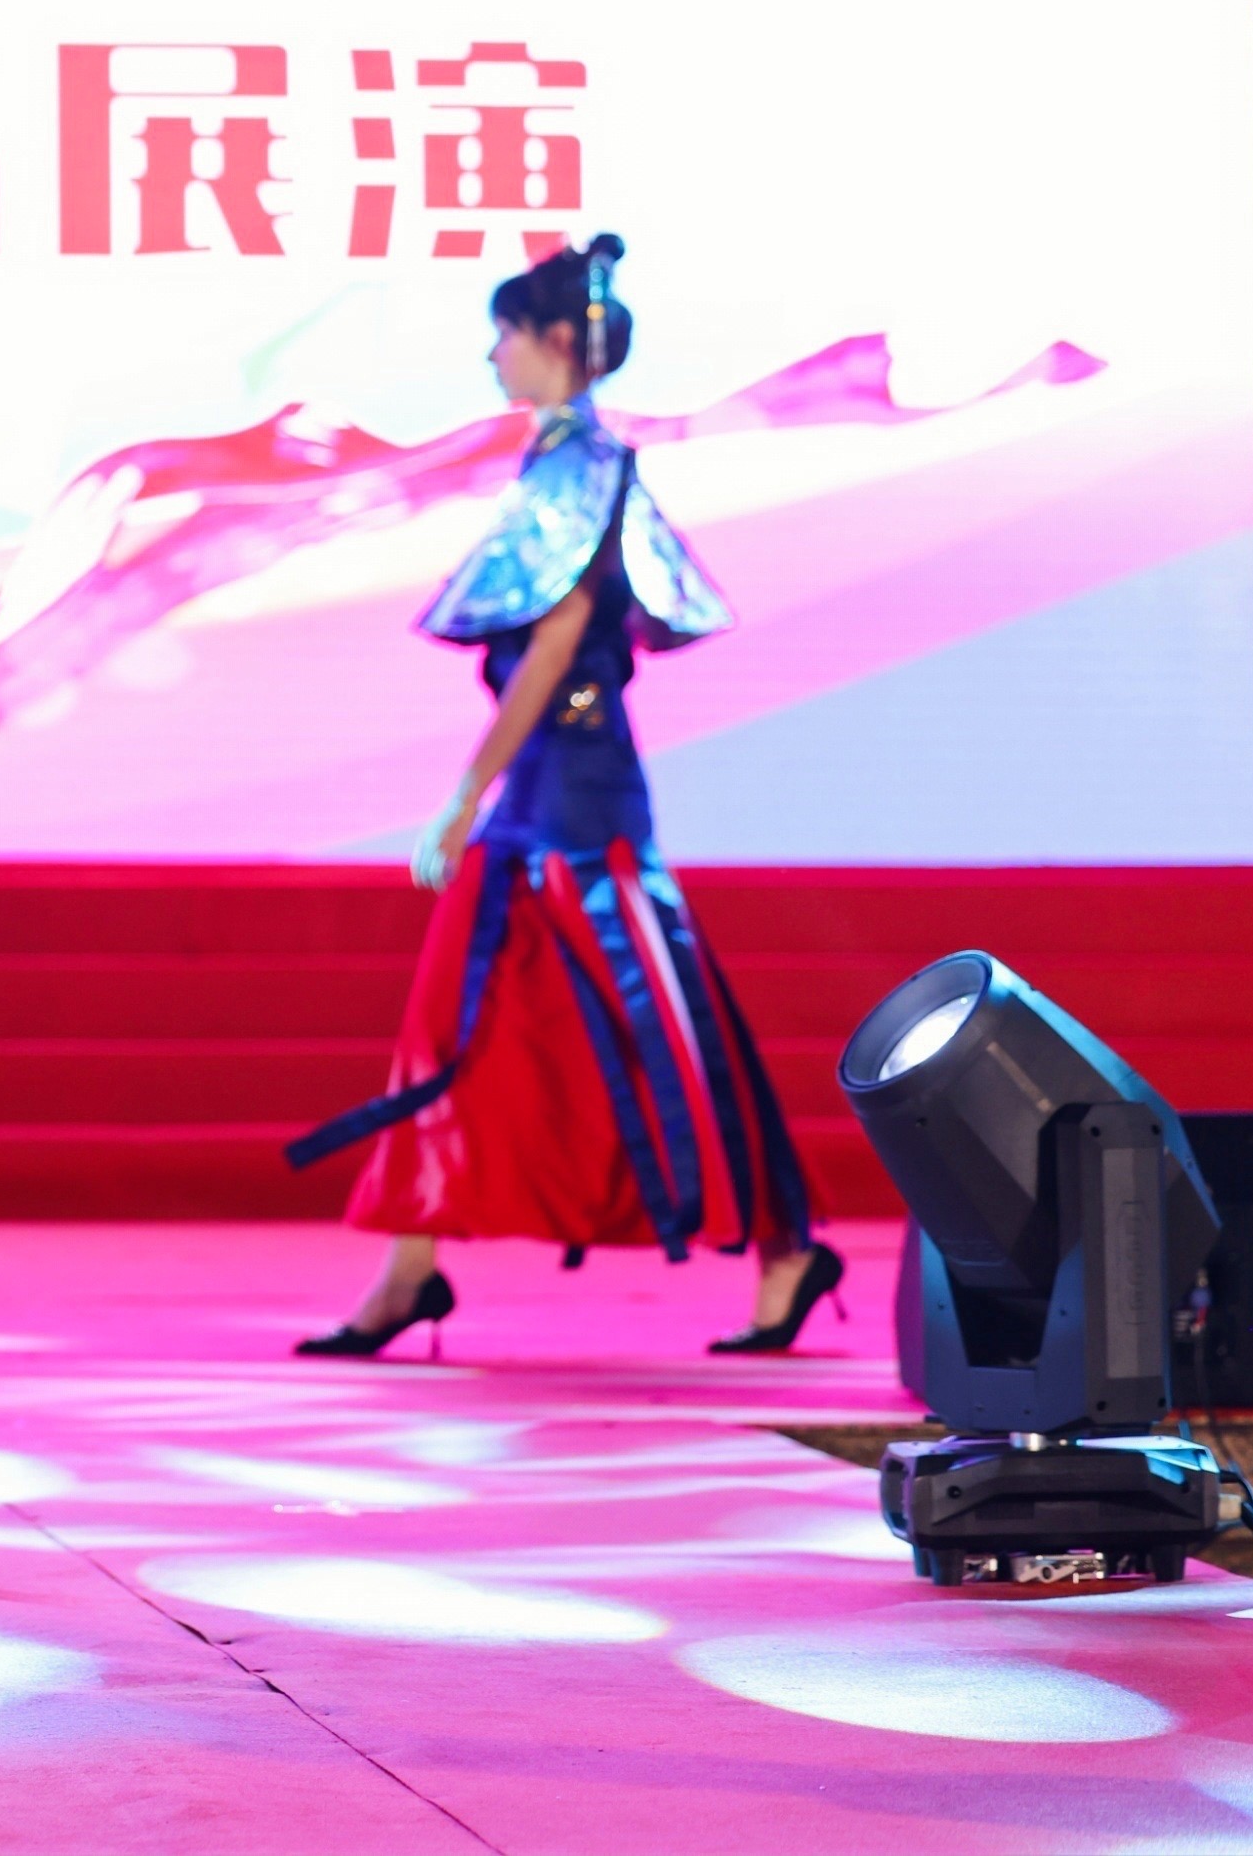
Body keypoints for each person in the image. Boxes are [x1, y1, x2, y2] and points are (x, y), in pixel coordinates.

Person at [285, 234, 841, 1358]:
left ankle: (785, 1243)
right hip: (549, 782)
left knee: (652, 1018)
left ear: (550, 340)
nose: (491, 356)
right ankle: (408, 1268)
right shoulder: (561, 460)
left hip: (576, 789)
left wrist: (463, 793)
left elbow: (555, 643)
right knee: (474, 1013)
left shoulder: (579, 465)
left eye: (501, 335)